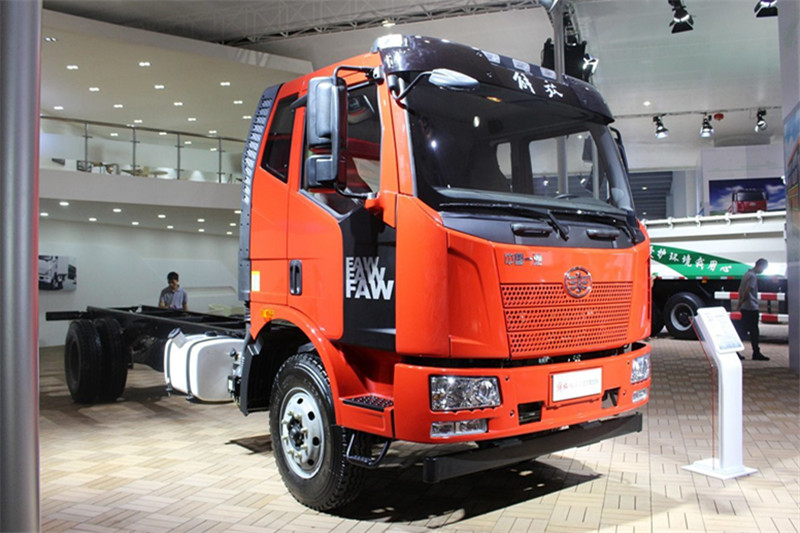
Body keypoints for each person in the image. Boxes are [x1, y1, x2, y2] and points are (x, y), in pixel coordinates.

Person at [737, 258, 769, 361]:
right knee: (754, 331)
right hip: (751, 307)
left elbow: (740, 289)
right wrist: (742, 301)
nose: (762, 271)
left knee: (744, 330)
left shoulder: (746, 274)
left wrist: (740, 302)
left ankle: (736, 351)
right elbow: (748, 290)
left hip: (745, 307)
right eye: (763, 268)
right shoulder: (753, 276)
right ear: (760, 266)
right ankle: (756, 352)